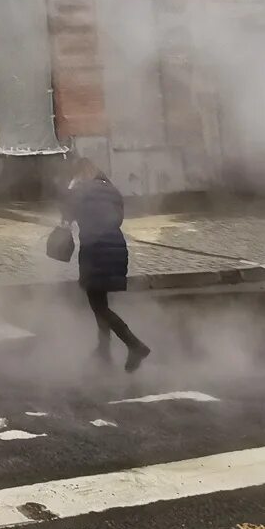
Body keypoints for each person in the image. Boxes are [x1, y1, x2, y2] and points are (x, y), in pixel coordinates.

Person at [61, 157, 150, 372]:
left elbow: (65, 218)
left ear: (79, 174)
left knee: (98, 305)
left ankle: (134, 345)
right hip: (116, 249)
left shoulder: (79, 192)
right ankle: (104, 351)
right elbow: (117, 219)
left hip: (95, 251)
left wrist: (70, 189)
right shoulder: (111, 190)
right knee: (99, 300)